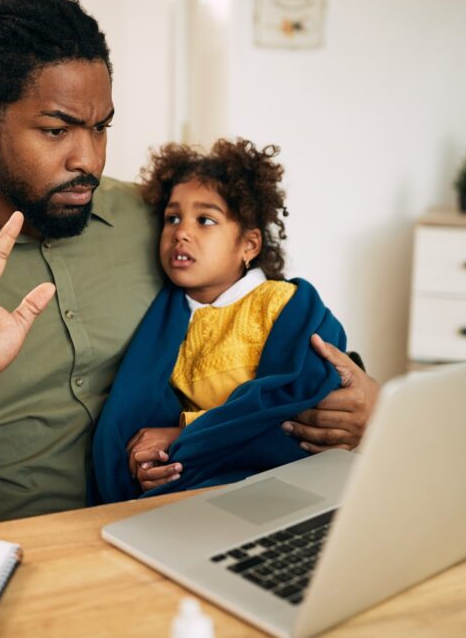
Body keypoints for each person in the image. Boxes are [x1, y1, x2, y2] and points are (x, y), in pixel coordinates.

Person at [0, 0, 379, 550]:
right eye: (56, 129)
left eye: (100, 127)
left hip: (177, 532)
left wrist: (359, 400)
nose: (88, 159)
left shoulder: (154, 220)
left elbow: (259, 320)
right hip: (7, 560)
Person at [90, 139, 348, 504]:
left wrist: (183, 434)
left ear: (250, 245)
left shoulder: (281, 304)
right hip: (195, 495)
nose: (182, 231)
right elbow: (142, 417)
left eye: (205, 220)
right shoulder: (166, 320)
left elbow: (290, 406)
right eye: (172, 218)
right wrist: (154, 463)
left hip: (277, 486)